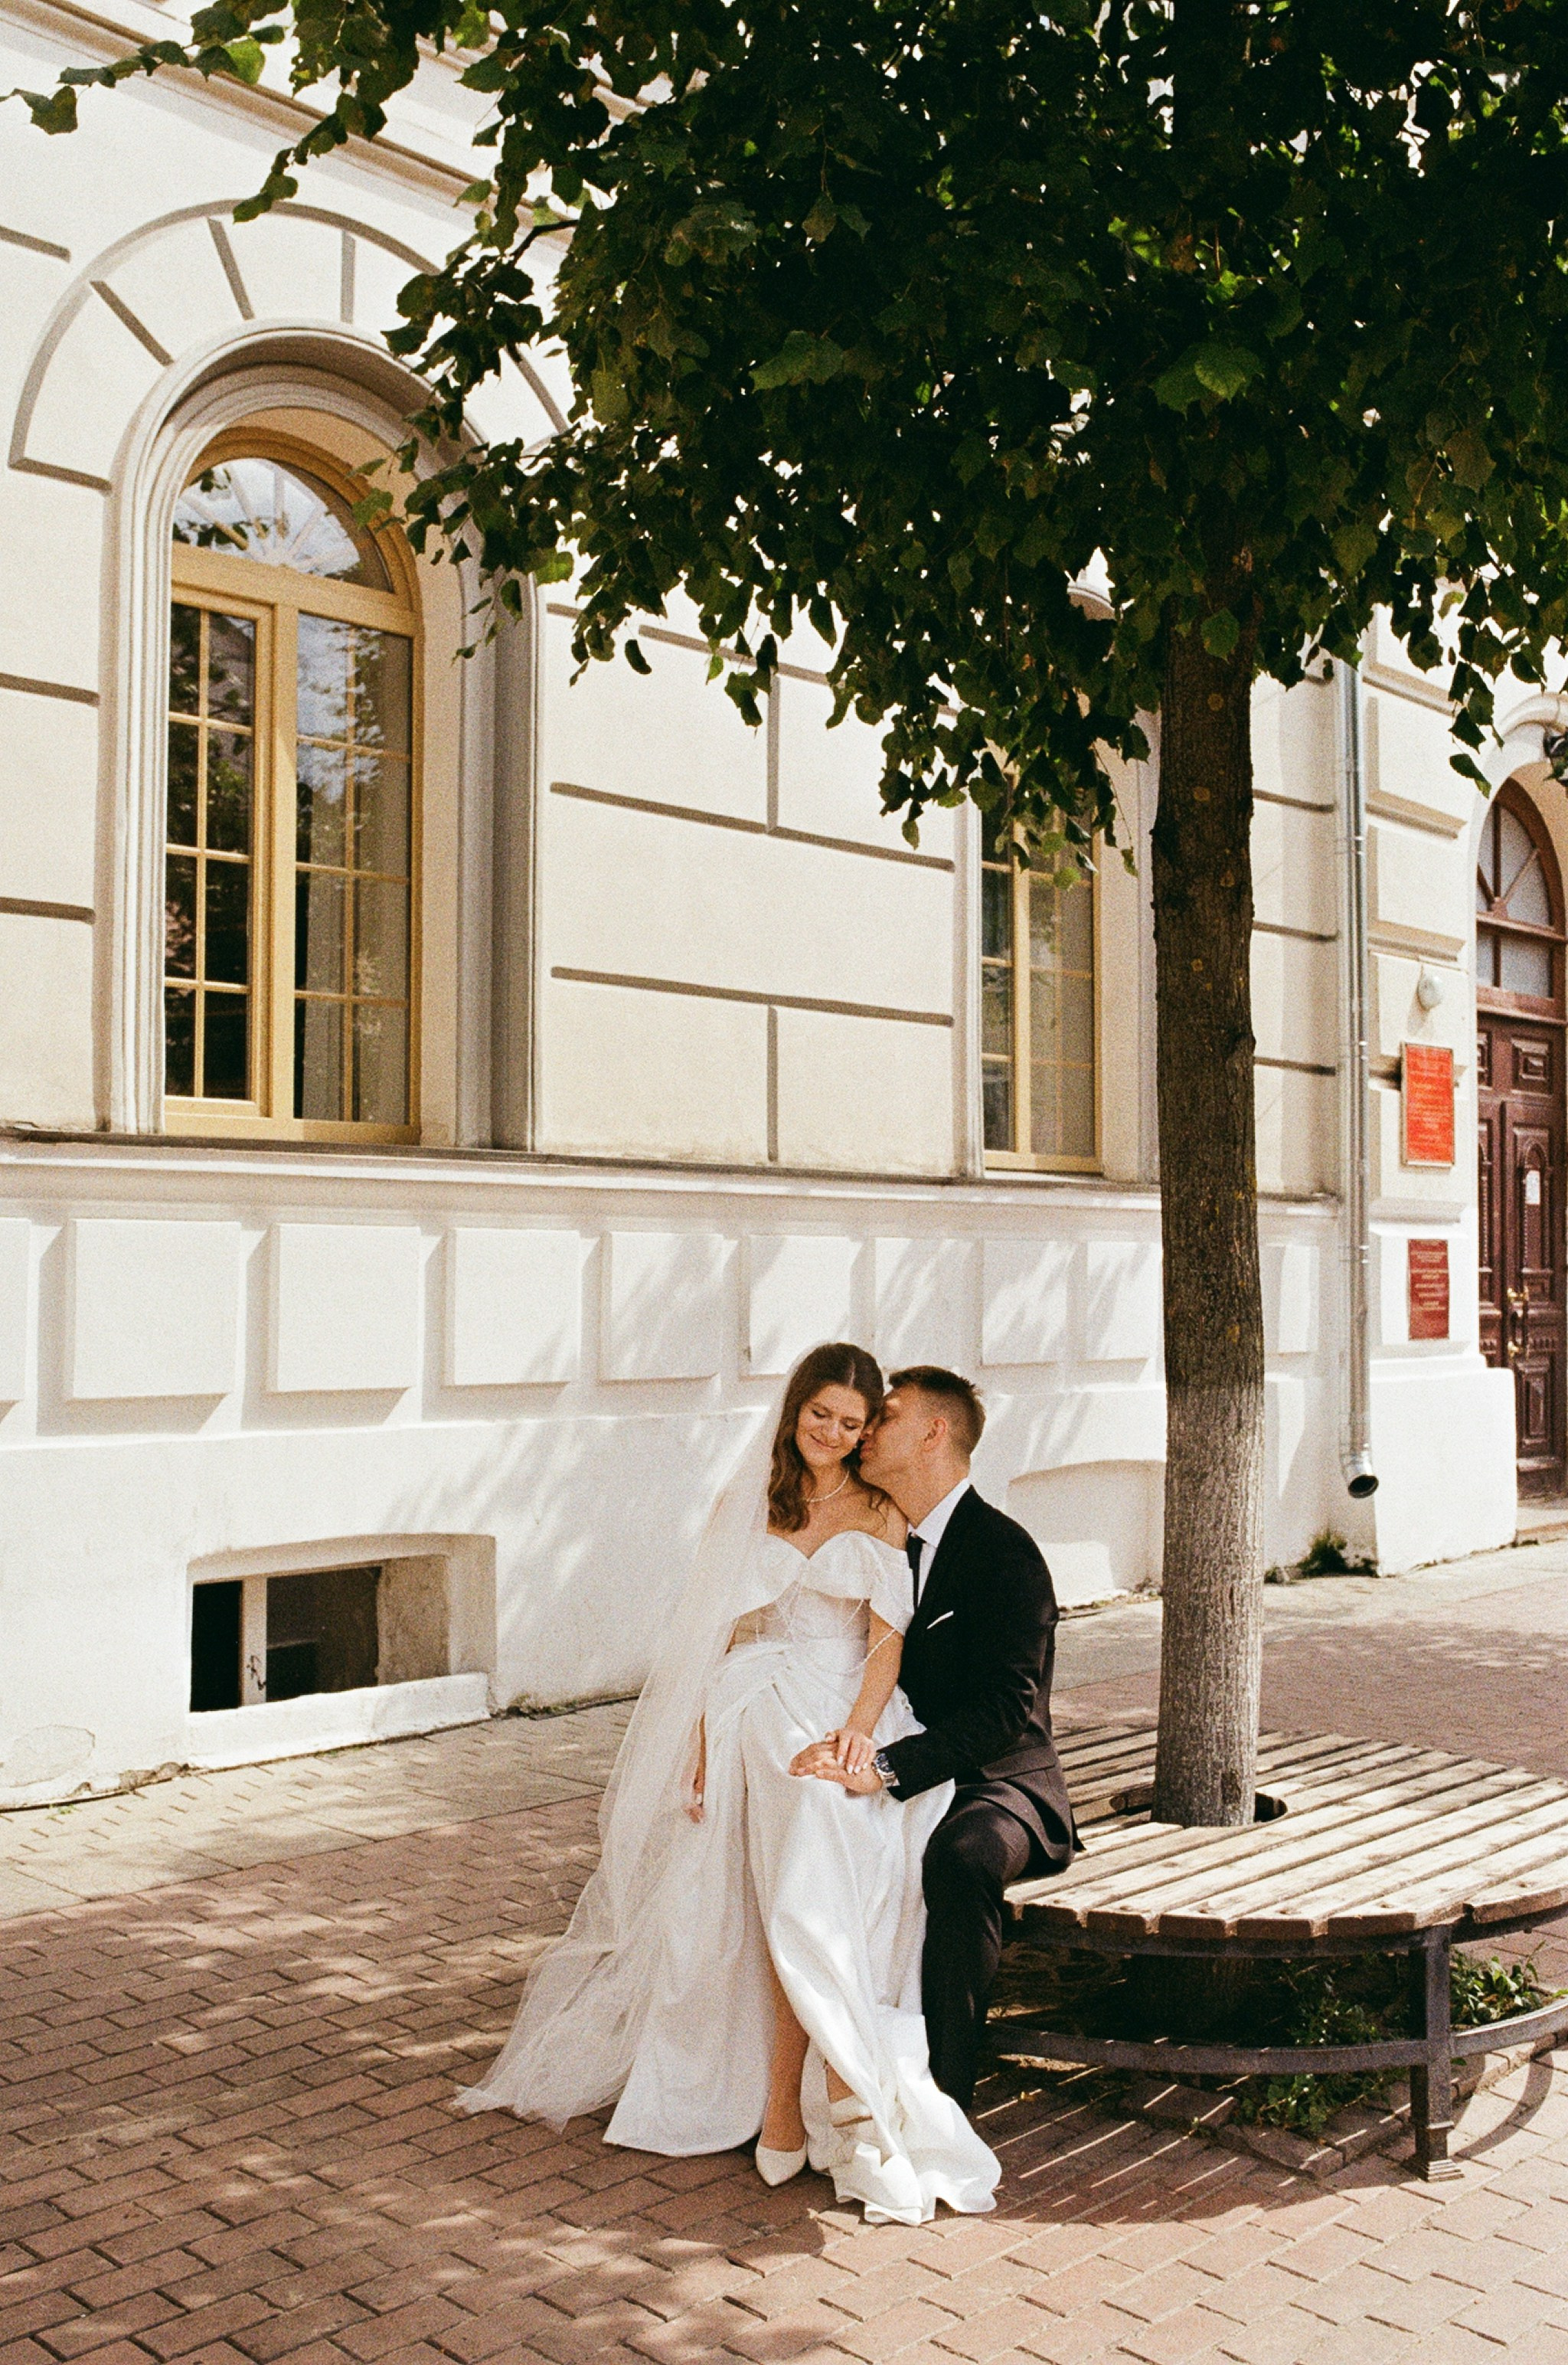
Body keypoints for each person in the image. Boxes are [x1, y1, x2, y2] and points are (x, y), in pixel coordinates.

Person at [457, 1343, 1000, 2226]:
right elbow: (719, 1637)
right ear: (795, 1411)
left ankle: (812, 2085)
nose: (832, 1431)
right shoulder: (750, 1502)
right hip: (752, 1699)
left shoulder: (876, 1509)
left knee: (826, 1822)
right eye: (820, 1413)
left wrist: (858, 1735)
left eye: (851, 1423)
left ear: (868, 1436)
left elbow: (884, 1643)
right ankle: (804, 2086)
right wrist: (698, 1738)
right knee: (791, 1840)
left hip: (842, 1698)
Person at [792, 1366, 1077, 2106]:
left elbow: (1007, 1711)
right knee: (806, 1824)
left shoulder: (1005, 1553)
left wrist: (886, 1768)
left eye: (882, 1418)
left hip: (1001, 1782)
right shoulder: (882, 1534)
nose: (863, 1432)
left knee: (958, 1857)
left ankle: (945, 2096)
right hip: (904, 1756)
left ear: (932, 1434)